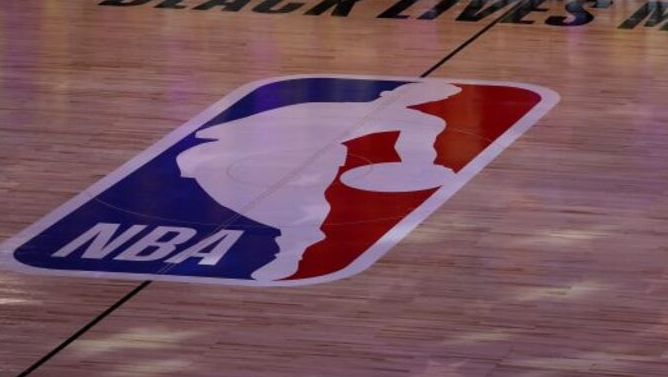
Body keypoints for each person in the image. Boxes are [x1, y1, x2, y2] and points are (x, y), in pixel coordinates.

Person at [175, 81, 461, 282]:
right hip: (259, 150)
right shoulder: (321, 105)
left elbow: (415, 153)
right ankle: (291, 246)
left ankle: (289, 255)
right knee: (230, 188)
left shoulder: (420, 122)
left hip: (311, 158)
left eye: (431, 96)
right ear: (394, 91)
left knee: (305, 209)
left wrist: (424, 169)